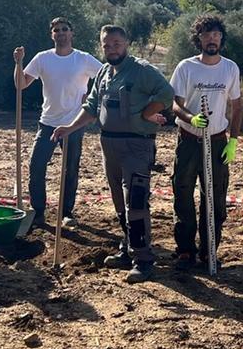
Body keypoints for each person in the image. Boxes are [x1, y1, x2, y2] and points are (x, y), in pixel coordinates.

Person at [53, 25, 173, 284]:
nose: (111, 49)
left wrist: (146, 113)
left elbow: (166, 93)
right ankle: (127, 247)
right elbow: (91, 106)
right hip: (110, 144)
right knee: (119, 201)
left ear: (126, 44)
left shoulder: (142, 70)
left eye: (116, 44)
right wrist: (70, 127)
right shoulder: (105, 73)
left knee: (137, 201)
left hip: (137, 145)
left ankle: (143, 259)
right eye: (106, 45)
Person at [13, 17, 103, 229]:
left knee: (70, 169)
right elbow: (21, 84)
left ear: (72, 33)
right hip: (48, 123)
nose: (60, 33)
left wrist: (90, 97)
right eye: (56, 30)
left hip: (73, 124)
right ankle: (38, 211)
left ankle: (66, 213)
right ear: (51, 35)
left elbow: (106, 77)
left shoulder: (83, 59)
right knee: (36, 166)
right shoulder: (42, 58)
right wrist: (18, 63)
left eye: (64, 29)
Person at [169, 14, 243, 271]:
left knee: (215, 198)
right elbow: (174, 103)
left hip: (217, 142)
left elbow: (236, 105)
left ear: (221, 38)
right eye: (206, 34)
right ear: (198, 38)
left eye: (216, 35)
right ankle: (185, 250)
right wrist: (191, 117)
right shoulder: (186, 67)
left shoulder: (230, 68)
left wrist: (233, 141)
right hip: (189, 140)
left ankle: (209, 250)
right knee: (183, 194)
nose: (211, 39)